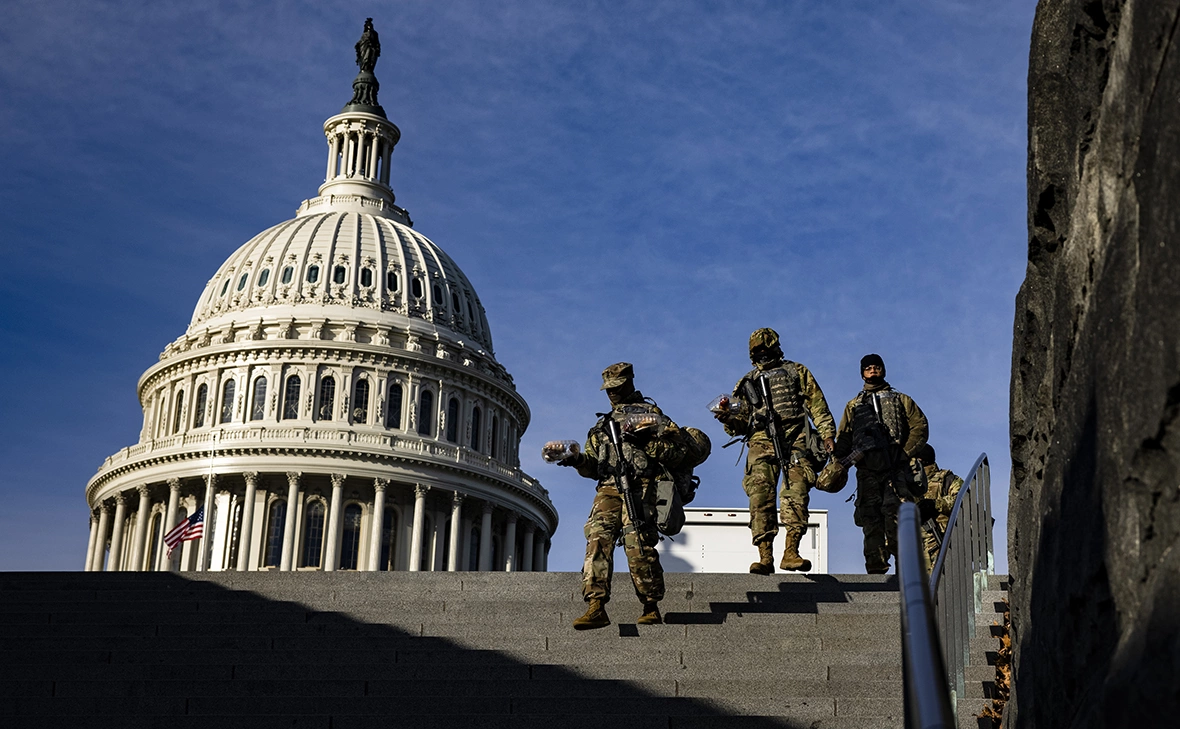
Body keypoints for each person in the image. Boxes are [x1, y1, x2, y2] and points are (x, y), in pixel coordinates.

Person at [550, 362, 687, 630]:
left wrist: (646, 441)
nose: (612, 393)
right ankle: (595, 605)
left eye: (617, 387)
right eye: (608, 389)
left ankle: (650, 605)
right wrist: (576, 460)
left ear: (629, 383)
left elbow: (677, 452)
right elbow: (593, 466)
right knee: (597, 541)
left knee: (639, 543)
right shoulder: (602, 426)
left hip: (642, 486)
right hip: (609, 488)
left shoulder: (652, 415)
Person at [713, 328, 836, 574]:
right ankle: (765, 556)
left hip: (796, 438)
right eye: (757, 351)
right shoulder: (746, 382)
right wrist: (726, 417)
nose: (762, 355)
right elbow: (737, 425)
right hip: (760, 441)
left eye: (765, 349)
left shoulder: (796, 371)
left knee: (796, 491)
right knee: (760, 497)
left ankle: (791, 552)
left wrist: (828, 435)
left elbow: (817, 405)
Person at [832, 353, 929, 574]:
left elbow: (920, 427)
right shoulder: (853, 405)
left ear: (883, 370)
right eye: (868, 368)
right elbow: (845, 436)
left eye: (876, 367)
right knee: (870, 518)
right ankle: (876, 567)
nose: (872, 371)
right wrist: (838, 462)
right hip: (866, 470)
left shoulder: (901, 400)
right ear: (862, 373)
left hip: (896, 468)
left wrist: (904, 453)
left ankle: (906, 567)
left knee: (898, 516)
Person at [915, 443, 964, 569]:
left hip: (938, 539)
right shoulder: (907, 482)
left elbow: (963, 501)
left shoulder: (947, 479)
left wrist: (935, 504)